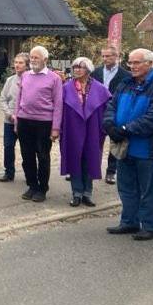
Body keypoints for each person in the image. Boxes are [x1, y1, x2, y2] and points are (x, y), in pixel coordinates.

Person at [104, 49, 153, 241]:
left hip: (147, 148)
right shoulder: (125, 84)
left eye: (136, 63)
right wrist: (109, 125)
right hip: (124, 147)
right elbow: (111, 106)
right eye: (130, 63)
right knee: (126, 187)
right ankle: (129, 222)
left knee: (148, 189)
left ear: (150, 64)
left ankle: (150, 226)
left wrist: (125, 128)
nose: (132, 66)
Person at [14, 46, 63, 203]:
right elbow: (19, 99)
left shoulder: (54, 78)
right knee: (26, 156)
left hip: (44, 122)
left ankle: (42, 188)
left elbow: (58, 104)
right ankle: (32, 185)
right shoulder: (25, 76)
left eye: (36, 57)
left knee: (42, 156)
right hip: (24, 120)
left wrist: (56, 128)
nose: (33, 60)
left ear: (45, 60)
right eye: (32, 57)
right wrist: (16, 120)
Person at [60, 57, 110, 207]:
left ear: (88, 70)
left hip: (93, 128)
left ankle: (87, 193)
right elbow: (58, 109)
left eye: (80, 67)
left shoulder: (100, 88)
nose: (76, 70)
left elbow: (109, 109)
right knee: (74, 159)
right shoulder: (66, 88)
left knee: (90, 160)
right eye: (75, 67)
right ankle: (76, 193)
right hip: (72, 128)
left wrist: (105, 127)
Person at [92, 45, 130, 184]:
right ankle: (92, 168)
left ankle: (111, 171)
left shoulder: (126, 75)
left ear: (117, 57)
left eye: (108, 56)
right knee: (95, 141)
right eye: (103, 56)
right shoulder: (95, 73)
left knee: (115, 140)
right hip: (97, 111)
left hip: (116, 111)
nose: (105, 58)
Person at [0, 53, 29, 182]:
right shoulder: (10, 80)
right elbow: (3, 99)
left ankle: (29, 172)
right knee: (8, 146)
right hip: (10, 119)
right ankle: (9, 171)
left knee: (27, 148)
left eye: (21, 63)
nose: (17, 65)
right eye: (16, 62)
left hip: (26, 120)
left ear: (27, 65)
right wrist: (9, 114)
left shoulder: (31, 80)